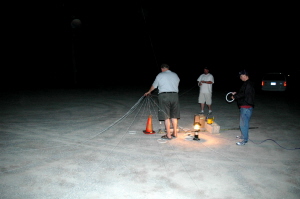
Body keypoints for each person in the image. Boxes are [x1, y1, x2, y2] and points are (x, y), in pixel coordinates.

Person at [144, 64, 180, 140]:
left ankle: (168, 135)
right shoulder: (175, 74)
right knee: (174, 115)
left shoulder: (160, 75)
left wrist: (149, 91)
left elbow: (154, 85)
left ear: (162, 68)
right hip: (175, 96)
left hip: (164, 96)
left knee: (166, 115)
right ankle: (175, 133)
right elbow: (177, 82)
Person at [231, 69, 255, 146]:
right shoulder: (247, 83)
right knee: (244, 123)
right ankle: (243, 136)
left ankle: (245, 140)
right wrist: (236, 93)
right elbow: (244, 93)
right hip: (245, 106)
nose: (240, 77)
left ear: (245, 76)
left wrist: (235, 96)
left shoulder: (248, 84)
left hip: (246, 106)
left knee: (243, 124)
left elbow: (244, 94)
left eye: (241, 76)